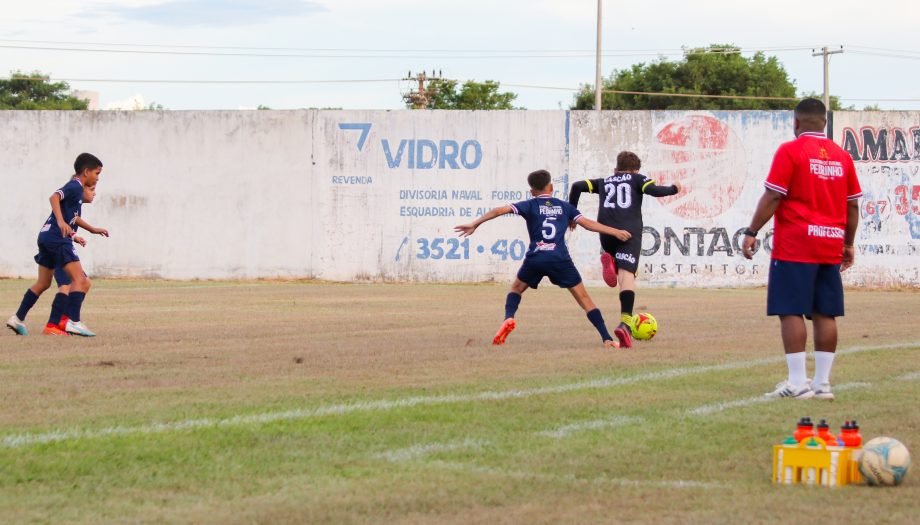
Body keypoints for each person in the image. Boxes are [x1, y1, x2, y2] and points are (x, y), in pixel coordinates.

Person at [742, 98, 862, 400]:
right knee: (825, 312)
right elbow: (852, 205)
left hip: (796, 244)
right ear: (825, 122)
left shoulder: (790, 151)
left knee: (790, 309)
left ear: (796, 123)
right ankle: (822, 384)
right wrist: (848, 243)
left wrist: (752, 231)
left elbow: (773, 197)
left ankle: (797, 382)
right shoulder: (841, 156)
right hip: (830, 242)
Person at [454, 169, 632, 348]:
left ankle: (509, 318)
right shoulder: (564, 206)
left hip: (536, 258)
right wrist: (615, 232)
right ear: (551, 187)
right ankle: (607, 338)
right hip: (560, 259)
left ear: (532, 191)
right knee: (585, 299)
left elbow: (500, 210)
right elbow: (587, 224)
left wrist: (474, 224)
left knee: (516, 289)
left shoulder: (529, 205)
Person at [568, 151, 681, 348]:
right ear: (636, 169)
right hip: (628, 233)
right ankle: (626, 323)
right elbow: (655, 191)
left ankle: (609, 257)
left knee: (619, 266)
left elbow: (577, 186)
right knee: (627, 275)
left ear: (616, 168)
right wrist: (674, 188)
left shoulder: (605, 181)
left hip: (607, 232)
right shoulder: (638, 178)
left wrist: (572, 214)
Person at [6, 153, 108, 337]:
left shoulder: (76, 194)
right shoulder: (76, 185)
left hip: (46, 237)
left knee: (43, 283)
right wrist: (61, 222)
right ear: (86, 172)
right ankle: (72, 321)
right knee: (80, 280)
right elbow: (54, 197)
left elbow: (73, 217)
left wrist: (89, 230)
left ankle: (18, 318)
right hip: (56, 239)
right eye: (97, 173)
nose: (97, 178)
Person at [43, 183, 101, 336]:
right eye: (92, 189)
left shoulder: (74, 206)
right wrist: (64, 226)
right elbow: (60, 217)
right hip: (58, 245)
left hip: (62, 244)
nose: (94, 193)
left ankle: (64, 321)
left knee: (84, 282)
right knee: (67, 285)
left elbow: (74, 219)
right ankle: (54, 324)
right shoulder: (73, 190)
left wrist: (76, 236)